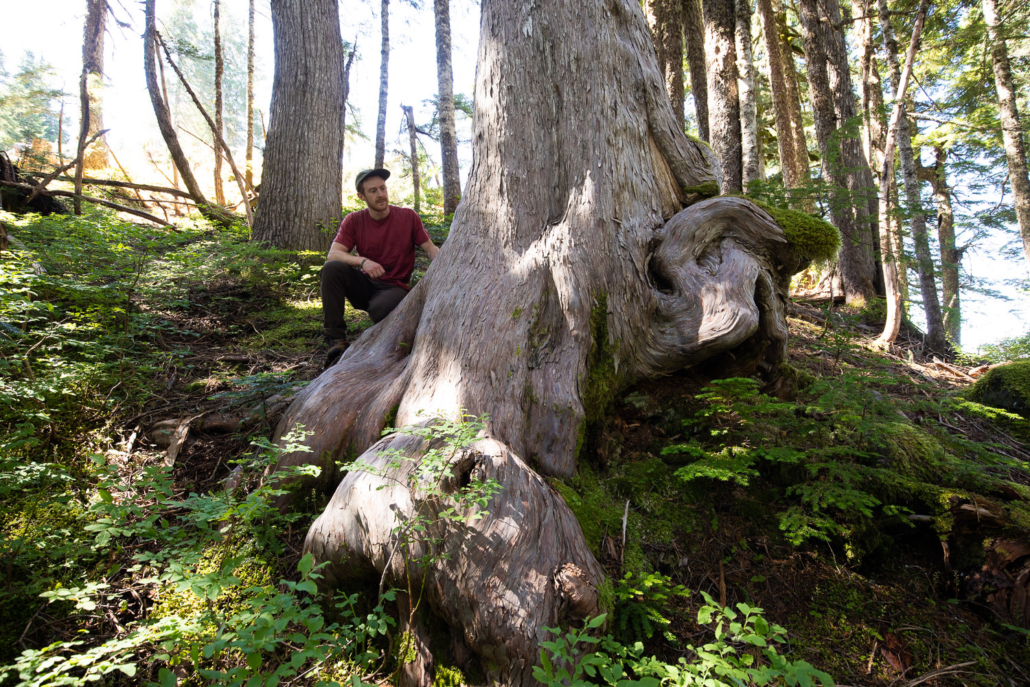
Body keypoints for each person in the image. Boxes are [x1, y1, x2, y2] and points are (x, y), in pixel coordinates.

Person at [321, 168, 439, 368]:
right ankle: (336, 340)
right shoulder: (354, 220)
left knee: (380, 309)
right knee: (332, 268)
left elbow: (430, 248)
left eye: (382, 188)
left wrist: (446, 263)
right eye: (373, 191)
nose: (381, 194)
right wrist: (363, 261)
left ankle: (388, 347)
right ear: (362, 196)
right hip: (365, 284)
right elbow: (333, 254)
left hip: (395, 288)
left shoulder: (408, 217)